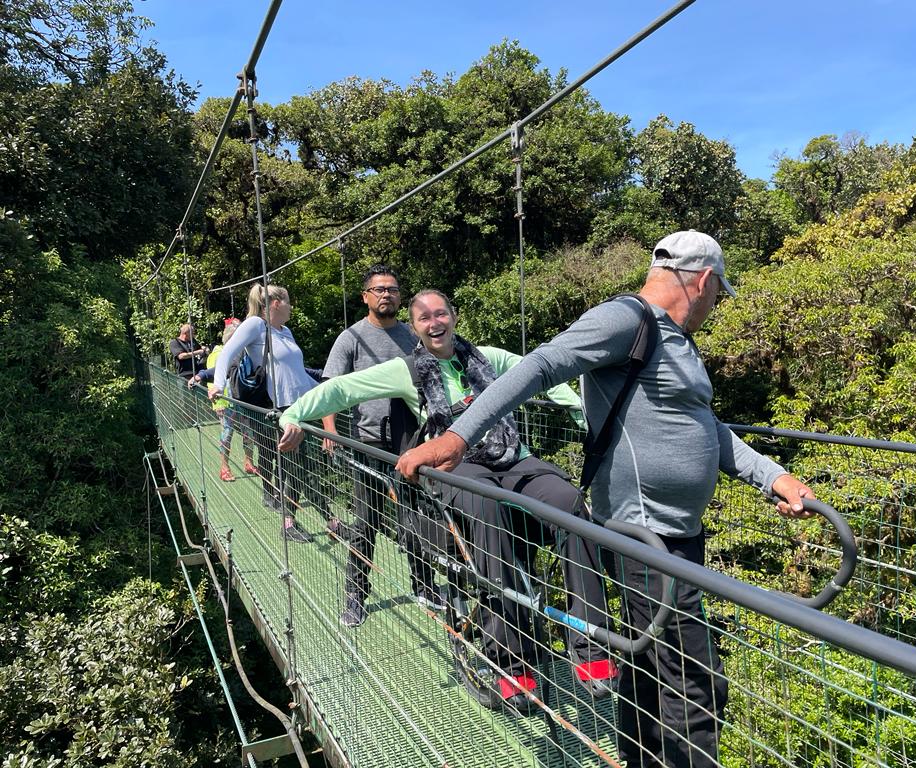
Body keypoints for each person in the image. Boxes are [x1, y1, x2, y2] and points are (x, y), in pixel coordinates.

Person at [396, 231, 816, 768]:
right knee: (694, 683)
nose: (715, 306)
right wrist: (459, 437)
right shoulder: (625, 320)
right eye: (717, 294)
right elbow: (540, 366)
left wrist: (772, 476)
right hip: (646, 536)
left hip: (680, 534)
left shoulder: (676, 341)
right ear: (704, 280)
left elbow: (703, 426)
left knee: (649, 672)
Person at [278, 289, 619, 709]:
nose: (434, 322)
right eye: (424, 318)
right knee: (486, 508)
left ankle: (590, 648)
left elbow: (541, 374)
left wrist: (580, 411)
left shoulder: (489, 358)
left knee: (569, 502)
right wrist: (291, 415)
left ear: (454, 317)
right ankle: (511, 663)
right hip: (457, 467)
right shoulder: (406, 370)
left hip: (513, 457)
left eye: (441, 314)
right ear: (415, 328)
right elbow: (342, 390)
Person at [317, 264, 439, 627]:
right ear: (366, 297)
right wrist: (329, 429)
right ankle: (355, 595)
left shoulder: (411, 335)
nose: (387, 294)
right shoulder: (351, 338)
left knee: (414, 518)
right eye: (379, 289)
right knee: (366, 520)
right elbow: (331, 388)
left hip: (411, 442)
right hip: (367, 441)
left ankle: (425, 586)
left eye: (393, 289)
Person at [210, 284, 330, 543]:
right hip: (279, 410)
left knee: (301, 467)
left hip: (301, 408)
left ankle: (323, 520)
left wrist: (329, 392)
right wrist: (218, 385)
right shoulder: (255, 325)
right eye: (288, 301)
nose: (291, 306)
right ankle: (295, 524)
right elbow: (226, 353)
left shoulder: (285, 331)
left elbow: (297, 374)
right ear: (275, 303)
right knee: (296, 466)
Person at [189, 318, 256, 482]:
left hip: (242, 401)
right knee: (227, 434)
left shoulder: (245, 353)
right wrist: (201, 375)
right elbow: (217, 371)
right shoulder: (222, 353)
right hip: (225, 402)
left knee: (249, 433)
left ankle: (249, 462)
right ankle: (224, 468)